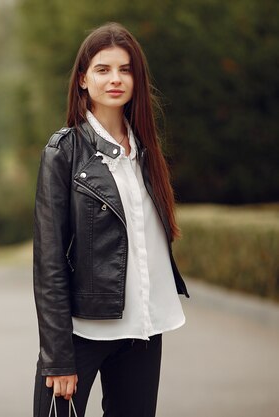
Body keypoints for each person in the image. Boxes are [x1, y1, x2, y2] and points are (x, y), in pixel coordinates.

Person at [32, 22, 189, 417]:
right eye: (103, 69)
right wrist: (57, 358)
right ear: (83, 79)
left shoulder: (146, 152)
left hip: (143, 330)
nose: (115, 79)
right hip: (82, 332)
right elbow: (48, 261)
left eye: (125, 69)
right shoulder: (63, 151)